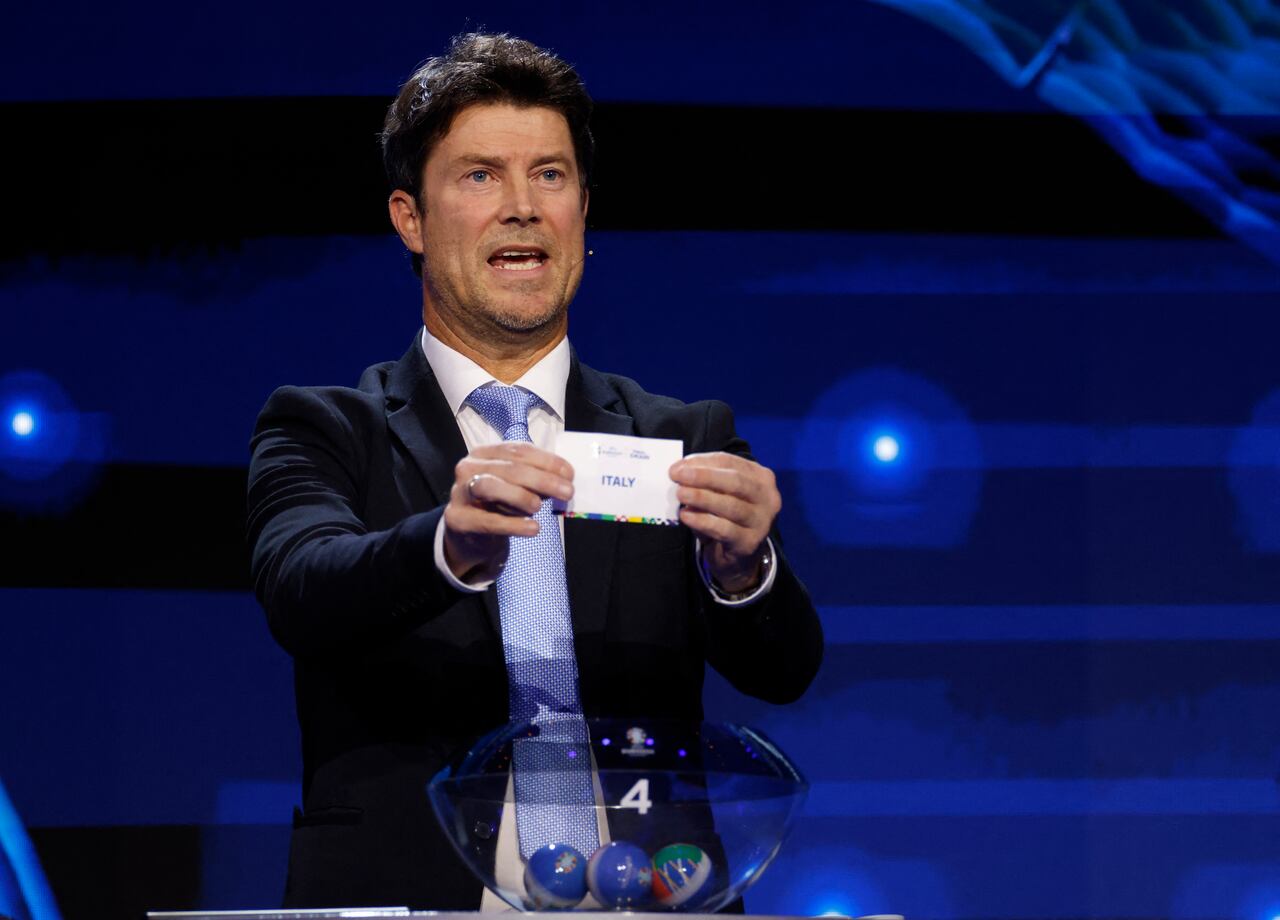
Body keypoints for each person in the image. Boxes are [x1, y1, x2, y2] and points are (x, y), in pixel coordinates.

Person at [247, 32, 823, 910]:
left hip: (649, 896)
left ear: (583, 211)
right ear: (410, 216)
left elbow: (784, 669)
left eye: (550, 176)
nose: (522, 207)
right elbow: (303, 587)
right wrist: (448, 545)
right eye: (481, 176)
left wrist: (746, 573)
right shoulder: (327, 426)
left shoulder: (683, 437)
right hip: (413, 897)